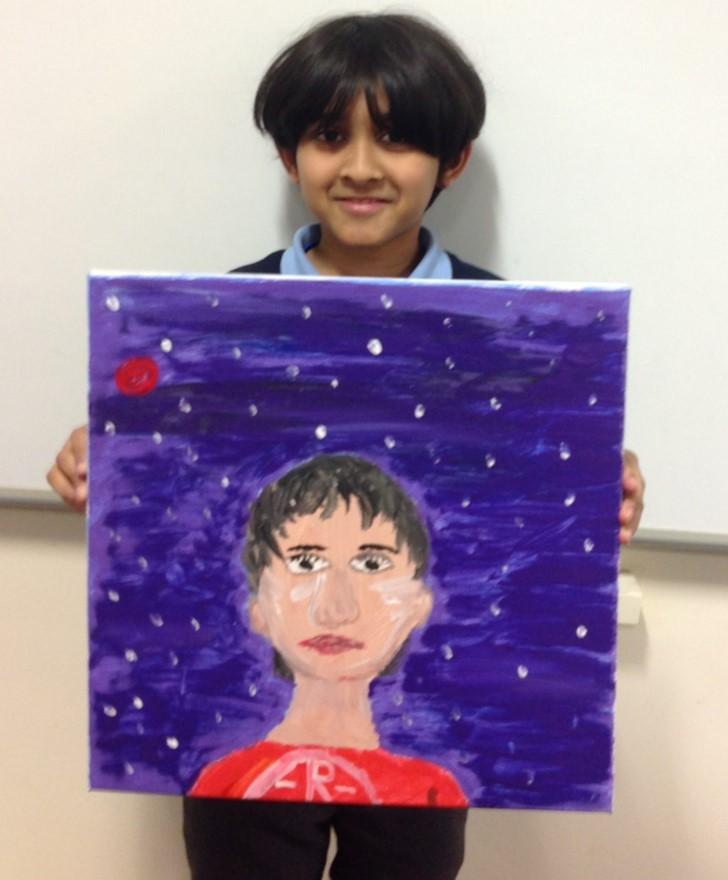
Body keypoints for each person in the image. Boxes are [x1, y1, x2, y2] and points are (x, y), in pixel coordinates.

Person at [46, 13, 646, 879]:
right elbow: (163, 484)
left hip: (423, 748)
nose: (361, 167)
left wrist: (599, 483)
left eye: (396, 139)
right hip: (237, 761)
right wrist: (104, 457)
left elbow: (546, 501)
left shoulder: (515, 335)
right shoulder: (211, 323)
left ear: (452, 160)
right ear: (289, 156)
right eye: (331, 137)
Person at [190, 454, 467, 808]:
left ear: (418, 605)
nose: (336, 609)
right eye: (305, 562)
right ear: (258, 610)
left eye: (372, 563)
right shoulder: (225, 783)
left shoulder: (433, 792)